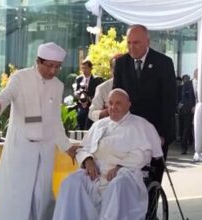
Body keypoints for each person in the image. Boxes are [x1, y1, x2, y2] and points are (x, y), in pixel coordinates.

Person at [0, 42, 78, 220]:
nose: (53, 71)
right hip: (21, 146)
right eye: (50, 66)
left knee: (41, 194)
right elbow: (7, 95)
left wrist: (67, 146)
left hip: (45, 148)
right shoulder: (21, 77)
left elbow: (55, 121)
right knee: (16, 192)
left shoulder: (57, 86)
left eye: (57, 67)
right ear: (39, 61)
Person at [53, 89, 162, 220]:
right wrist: (88, 160)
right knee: (71, 182)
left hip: (125, 173)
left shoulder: (140, 125)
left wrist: (120, 166)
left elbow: (143, 155)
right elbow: (83, 148)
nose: (113, 107)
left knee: (117, 185)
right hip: (95, 173)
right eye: (110, 103)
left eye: (118, 103)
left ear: (128, 104)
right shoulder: (99, 124)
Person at [113, 24, 176, 183]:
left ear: (147, 42)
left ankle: (151, 208)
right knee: (127, 179)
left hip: (155, 131)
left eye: (136, 42)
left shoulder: (163, 63)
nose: (131, 47)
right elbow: (117, 97)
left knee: (152, 180)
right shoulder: (122, 64)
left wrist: (160, 134)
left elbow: (168, 102)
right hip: (129, 131)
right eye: (129, 43)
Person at [88, 53, 123, 122]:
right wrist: (107, 112)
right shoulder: (102, 88)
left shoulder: (137, 85)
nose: (119, 71)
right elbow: (92, 113)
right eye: (116, 67)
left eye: (122, 67)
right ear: (111, 69)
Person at [74, 59, 103, 129]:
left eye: (86, 68)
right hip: (81, 106)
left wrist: (88, 98)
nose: (84, 70)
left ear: (90, 68)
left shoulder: (97, 80)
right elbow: (75, 91)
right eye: (83, 68)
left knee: (88, 124)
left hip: (92, 106)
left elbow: (99, 94)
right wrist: (78, 96)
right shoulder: (79, 79)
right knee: (80, 119)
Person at [180, 74, 196, 154]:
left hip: (200, 109)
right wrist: (191, 107)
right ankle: (184, 148)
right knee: (186, 129)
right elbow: (184, 97)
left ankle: (200, 148)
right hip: (188, 110)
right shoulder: (187, 84)